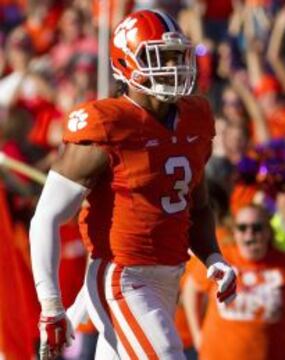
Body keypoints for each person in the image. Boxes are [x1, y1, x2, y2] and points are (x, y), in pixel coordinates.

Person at [29, 9, 237, 360]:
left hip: (169, 276)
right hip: (122, 278)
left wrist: (212, 254)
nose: (174, 68)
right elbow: (46, 218)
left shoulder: (195, 118)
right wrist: (51, 305)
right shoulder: (108, 125)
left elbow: (197, 205)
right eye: (160, 57)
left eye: (178, 57)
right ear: (126, 63)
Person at [183, 204, 285, 360]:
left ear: (268, 231)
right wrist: (197, 334)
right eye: (242, 227)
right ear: (234, 231)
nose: (249, 234)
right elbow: (191, 288)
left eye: (257, 228)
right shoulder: (220, 259)